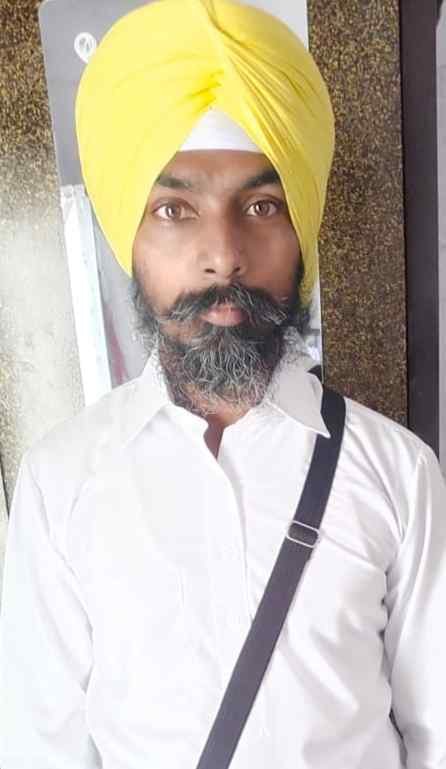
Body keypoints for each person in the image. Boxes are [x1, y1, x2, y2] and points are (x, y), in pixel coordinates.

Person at [1, 1, 445, 767]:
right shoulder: (61, 484)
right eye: (174, 208)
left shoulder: (398, 473)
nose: (223, 253)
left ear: (301, 232)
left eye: (262, 205)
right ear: (129, 238)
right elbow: (41, 749)